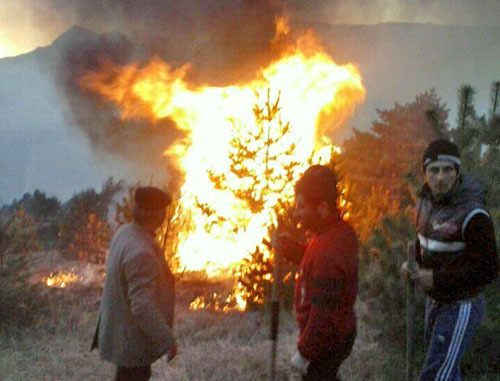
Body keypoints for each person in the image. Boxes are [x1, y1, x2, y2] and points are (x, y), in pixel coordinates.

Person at [401, 139, 498, 381]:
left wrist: (435, 278)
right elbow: (425, 244)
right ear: (424, 174)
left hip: (461, 304)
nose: (441, 177)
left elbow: (488, 268)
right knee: (446, 370)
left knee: (436, 375)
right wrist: (414, 267)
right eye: (434, 170)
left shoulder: (473, 214)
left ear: (457, 172)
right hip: (435, 301)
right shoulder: (425, 204)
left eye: (448, 170)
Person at [273, 165, 358, 381]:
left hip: (326, 340)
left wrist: (304, 352)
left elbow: (324, 313)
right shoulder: (332, 234)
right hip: (335, 336)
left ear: (322, 207)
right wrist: (293, 250)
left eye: (302, 206)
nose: (297, 212)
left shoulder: (330, 246)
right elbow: (318, 267)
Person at [91, 186, 177, 381]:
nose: (165, 215)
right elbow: (142, 306)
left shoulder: (124, 233)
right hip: (131, 343)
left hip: (121, 335)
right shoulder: (141, 251)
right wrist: (167, 340)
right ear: (155, 215)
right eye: (162, 211)